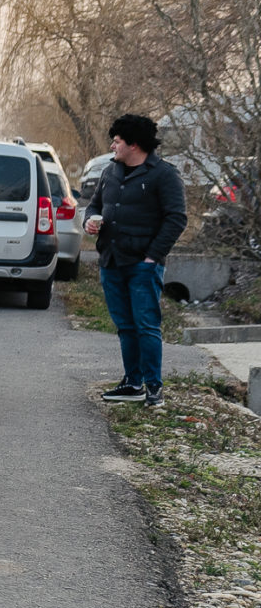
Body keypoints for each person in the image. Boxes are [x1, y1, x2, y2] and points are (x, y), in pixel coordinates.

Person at [84, 113, 188, 407]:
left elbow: (176, 218)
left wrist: (152, 257)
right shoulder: (110, 171)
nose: (112, 146)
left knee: (146, 326)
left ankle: (154, 387)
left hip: (143, 265)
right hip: (111, 261)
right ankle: (132, 383)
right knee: (125, 326)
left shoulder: (164, 175)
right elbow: (93, 206)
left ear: (134, 144)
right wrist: (89, 220)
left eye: (117, 141)